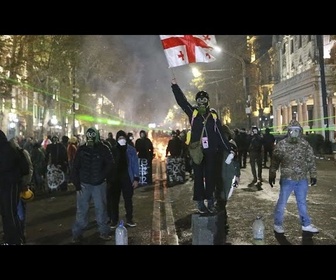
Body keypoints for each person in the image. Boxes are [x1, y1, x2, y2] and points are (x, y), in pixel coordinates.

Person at [171, 78, 232, 214]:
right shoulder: (193, 113)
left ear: (208, 101)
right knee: (198, 177)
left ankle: (210, 200)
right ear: (196, 101)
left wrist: (228, 148)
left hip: (211, 152)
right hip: (197, 151)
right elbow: (182, 102)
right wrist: (175, 86)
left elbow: (220, 134)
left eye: (204, 99)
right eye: (199, 100)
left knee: (210, 176)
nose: (202, 102)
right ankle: (200, 202)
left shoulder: (213, 115)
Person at [269, 119, 319, 234]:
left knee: (302, 202)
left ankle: (306, 224)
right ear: (288, 131)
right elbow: (275, 161)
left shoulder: (304, 144)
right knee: (282, 203)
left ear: (300, 131)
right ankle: (278, 224)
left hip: (302, 178)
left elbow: (310, 159)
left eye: (296, 131)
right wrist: (272, 174)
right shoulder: (282, 145)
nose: (294, 133)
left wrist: (313, 174)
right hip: (288, 179)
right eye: (292, 131)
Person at [71, 127, 116, 243]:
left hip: (97, 184)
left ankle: (103, 232)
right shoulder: (82, 149)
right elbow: (75, 167)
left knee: (100, 209)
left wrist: (103, 176)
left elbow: (110, 164)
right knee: (82, 210)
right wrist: (76, 183)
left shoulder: (103, 148)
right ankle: (77, 233)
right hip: (85, 184)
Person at [108, 130, 140, 228]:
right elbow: (109, 165)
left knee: (128, 200)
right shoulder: (112, 150)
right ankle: (114, 220)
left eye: (123, 138)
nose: (121, 140)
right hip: (115, 179)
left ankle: (129, 219)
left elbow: (135, 164)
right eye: (119, 138)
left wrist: (136, 178)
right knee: (114, 201)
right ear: (117, 139)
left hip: (127, 177)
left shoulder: (131, 150)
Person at [0, 130, 27, 245]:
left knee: (10, 214)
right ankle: (11, 238)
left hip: (9, 185)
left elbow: (5, 167)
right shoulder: (9, 148)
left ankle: (15, 239)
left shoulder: (7, 150)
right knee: (8, 214)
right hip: (9, 185)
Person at [9, 137, 34, 244]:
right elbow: (29, 169)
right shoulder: (23, 153)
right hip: (20, 186)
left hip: (10, 187)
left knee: (11, 211)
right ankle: (20, 233)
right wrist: (26, 183)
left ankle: (16, 234)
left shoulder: (8, 154)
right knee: (20, 212)